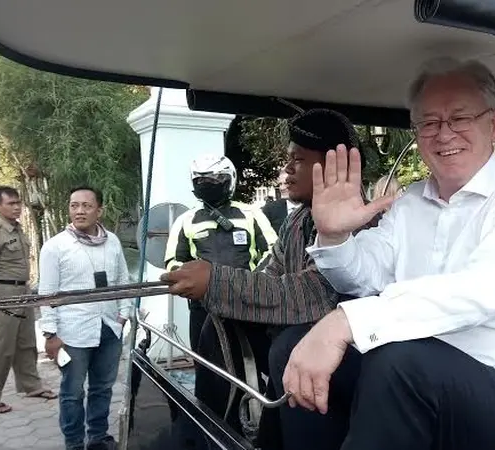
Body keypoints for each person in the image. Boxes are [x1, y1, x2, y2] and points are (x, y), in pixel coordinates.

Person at [279, 57, 495, 450]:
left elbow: (479, 291)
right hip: (422, 381)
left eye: (459, 118)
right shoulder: (410, 203)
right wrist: (335, 236)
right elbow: (365, 274)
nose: (444, 134)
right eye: (429, 123)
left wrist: (344, 323)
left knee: (398, 363)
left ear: (494, 124)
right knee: (293, 348)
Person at [161, 108, 381, 450]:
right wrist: (213, 286)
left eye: (298, 160)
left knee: (291, 343)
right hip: (292, 344)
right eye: (288, 159)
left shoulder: (362, 221)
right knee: (221, 322)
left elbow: (314, 296)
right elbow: (270, 276)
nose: (286, 170)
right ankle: (212, 434)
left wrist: (217, 282)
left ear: (335, 166)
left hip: (354, 355)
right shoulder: (297, 222)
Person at [38, 186, 133, 450]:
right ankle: (74, 444)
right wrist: (50, 334)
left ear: (99, 210)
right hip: (72, 333)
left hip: (109, 327)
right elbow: (46, 294)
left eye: (86, 206)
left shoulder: (112, 241)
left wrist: (124, 314)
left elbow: (123, 281)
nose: (79, 211)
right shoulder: (55, 247)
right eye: (74, 205)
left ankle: (98, 439)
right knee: (72, 393)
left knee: (102, 389)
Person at [163, 154, 277, 350]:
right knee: (207, 365)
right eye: (202, 180)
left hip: (248, 300)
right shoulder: (185, 220)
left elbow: (273, 251)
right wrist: (198, 282)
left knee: (255, 362)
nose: (209, 184)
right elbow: (173, 261)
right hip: (204, 304)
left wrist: (253, 281)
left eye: (215, 179)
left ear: (229, 180)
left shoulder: (251, 214)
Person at [0, 186, 56, 415]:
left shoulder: (18, 229)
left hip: (24, 292)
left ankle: (32, 386)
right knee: (2, 348)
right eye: (11, 203)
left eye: (18, 202)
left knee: (26, 343)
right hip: (4, 294)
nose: (17, 207)